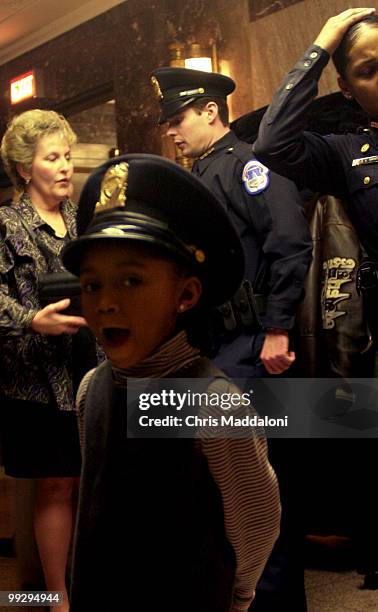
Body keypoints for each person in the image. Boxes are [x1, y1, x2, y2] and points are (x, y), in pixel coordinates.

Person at [62, 153, 281, 612]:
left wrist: (238, 597)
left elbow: (256, 522)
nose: (105, 303)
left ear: (185, 294)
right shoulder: (92, 389)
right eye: (92, 285)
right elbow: (95, 505)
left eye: (131, 281)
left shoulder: (210, 403)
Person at [150, 66, 313, 610]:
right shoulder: (199, 178)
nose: (171, 131)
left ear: (210, 112)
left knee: (261, 490)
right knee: (227, 493)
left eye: (178, 119)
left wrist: (277, 328)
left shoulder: (250, 167)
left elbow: (290, 244)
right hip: (214, 350)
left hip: (251, 346)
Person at [253, 7, 378, 588]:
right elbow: (274, 140)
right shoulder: (348, 151)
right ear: (348, 88)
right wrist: (321, 45)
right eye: (370, 70)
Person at [0, 109, 88, 612]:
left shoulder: (84, 219)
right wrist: (33, 320)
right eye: (51, 157)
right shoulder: (7, 224)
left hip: (91, 367)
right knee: (56, 483)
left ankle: (87, 581)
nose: (64, 167)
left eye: (67, 156)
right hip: (35, 377)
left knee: (88, 480)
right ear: (24, 167)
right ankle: (57, 600)